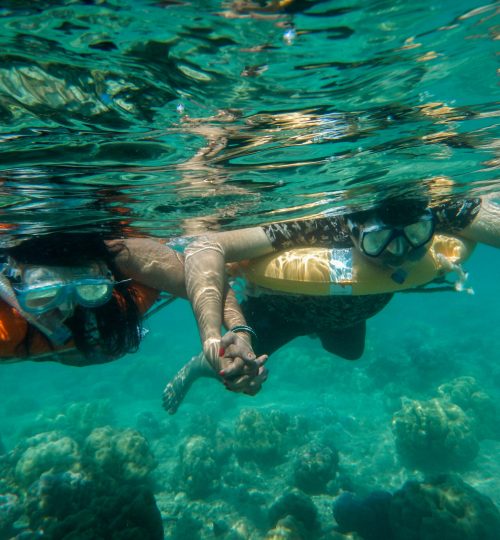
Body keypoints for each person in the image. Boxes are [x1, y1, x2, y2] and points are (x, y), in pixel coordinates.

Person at [162, 192, 500, 413]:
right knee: (228, 366)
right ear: (352, 230)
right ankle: (194, 368)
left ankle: (320, 331)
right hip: (278, 312)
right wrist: (211, 335)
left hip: (351, 310)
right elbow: (205, 246)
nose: (398, 255)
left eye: (415, 237)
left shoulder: (441, 207)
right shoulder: (317, 226)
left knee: (350, 352)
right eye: (379, 241)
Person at [0, 232, 265, 386]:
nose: (67, 308)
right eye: (42, 294)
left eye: (90, 289)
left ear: (106, 273)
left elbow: (208, 281)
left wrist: (240, 337)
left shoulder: (124, 257)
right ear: (11, 279)